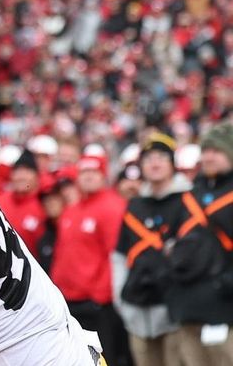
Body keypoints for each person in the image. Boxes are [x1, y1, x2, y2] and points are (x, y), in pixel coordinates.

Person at [111, 132, 189, 366]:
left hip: (175, 313)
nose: (154, 163)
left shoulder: (187, 201)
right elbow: (119, 255)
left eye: (161, 157)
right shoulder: (134, 205)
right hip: (137, 311)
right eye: (148, 158)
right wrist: (121, 301)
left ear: (172, 164)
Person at [50, 153, 132, 366]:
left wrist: (100, 296)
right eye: (84, 171)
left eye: (93, 172)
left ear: (103, 175)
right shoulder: (72, 209)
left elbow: (115, 257)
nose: (88, 177)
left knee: (103, 358)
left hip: (96, 304)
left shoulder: (111, 206)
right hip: (69, 301)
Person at [169, 122, 233, 366]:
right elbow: (170, 242)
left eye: (216, 151)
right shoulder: (190, 194)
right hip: (188, 309)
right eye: (205, 151)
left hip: (225, 312)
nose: (208, 156)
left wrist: (226, 284)